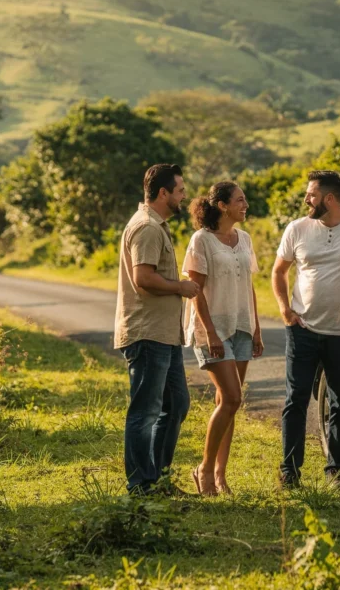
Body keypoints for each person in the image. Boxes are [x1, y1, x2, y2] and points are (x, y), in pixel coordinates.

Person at [272, 170, 340, 490]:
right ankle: (290, 472)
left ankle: (336, 472)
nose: (306, 199)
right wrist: (284, 309)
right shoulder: (298, 229)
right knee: (296, 400)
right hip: (302, 329)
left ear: (329, 199)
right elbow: (279, 272)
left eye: (311, 194)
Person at [114, 163, 200, 494]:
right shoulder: (148, 227)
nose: (183, 196)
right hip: (147, 334)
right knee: (145, 412)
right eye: (179, 191)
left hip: (163, 334)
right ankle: (141, 484)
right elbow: (144, 278)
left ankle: (159, 479)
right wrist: (180, 287)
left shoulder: (156, 225)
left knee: (176, 403)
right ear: (163, 193)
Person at [182, 181, 264, 496]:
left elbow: (249, 285)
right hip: (212, 329)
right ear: (223, 206)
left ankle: (220, 476)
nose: (246, 205)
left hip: (242, 326)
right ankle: (203, 470)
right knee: (231, 398)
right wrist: (211, 332)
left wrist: (256, 327)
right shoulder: (201, 240)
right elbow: (195, 291)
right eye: (240, 200)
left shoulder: (244, 238)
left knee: (226, 403)